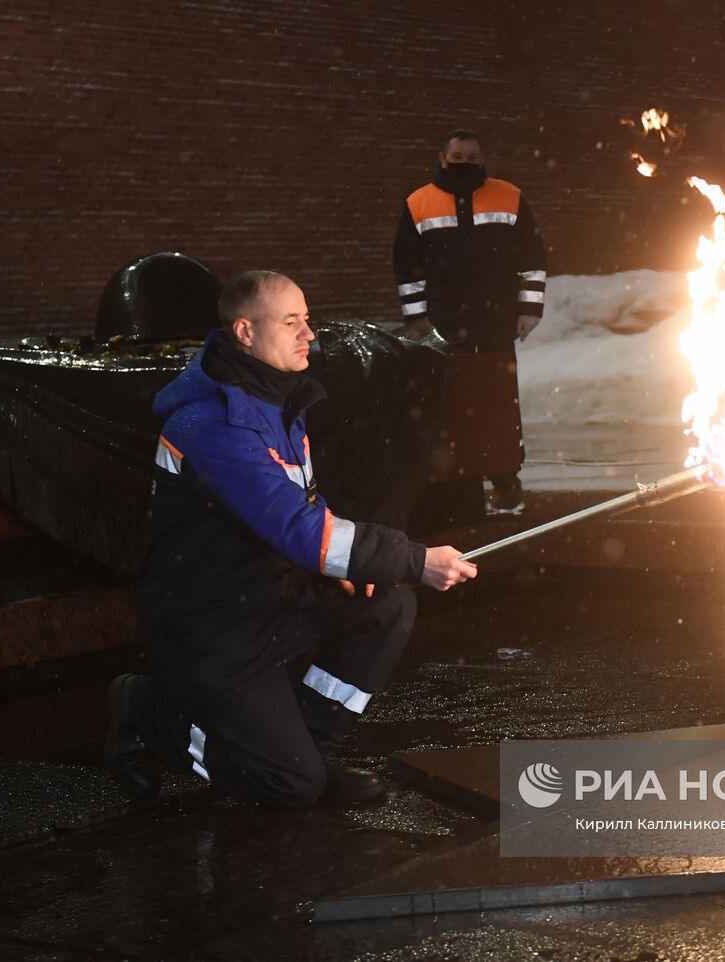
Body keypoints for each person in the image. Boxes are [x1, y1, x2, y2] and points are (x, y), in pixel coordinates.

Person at [104, 270, 478, 807]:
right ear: (246, 333)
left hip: (264, 596)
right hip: (209, 627)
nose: (310, 335)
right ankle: (146, 713)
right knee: (287, 786)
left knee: (387, 606)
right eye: (290, 322)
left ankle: (309, 751)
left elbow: (303, 502)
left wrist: (352, 568)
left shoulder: (273, 400)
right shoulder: (214, 427)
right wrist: (412, 559)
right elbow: (298, 529)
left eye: (307, 320)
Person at [392, 128, 548, 515]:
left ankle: (506, 485)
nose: (464, 165)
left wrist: (529, 310)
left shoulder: (509, 196)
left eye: (471, 158)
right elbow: (407, 267)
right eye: (457, 158)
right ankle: (461, 492)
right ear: (442, 158)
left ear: (482, 158)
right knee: (452, 409)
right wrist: (416, 320)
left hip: (496, 327)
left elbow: (532, 257)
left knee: (498, 408)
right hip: (444, 330)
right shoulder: (419, 204)